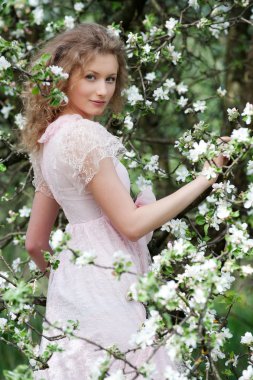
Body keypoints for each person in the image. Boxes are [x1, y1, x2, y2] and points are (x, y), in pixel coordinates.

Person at [21, 22, 230, 379]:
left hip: (74, 291)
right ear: (64, 77)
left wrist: (72, 279)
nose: (102, 90)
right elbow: (131, 226)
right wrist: (206, 176)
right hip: (107, 290)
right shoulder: (83, 136)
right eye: (90, 77)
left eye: (111, 79)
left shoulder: (49, 140)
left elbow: (35, 244)